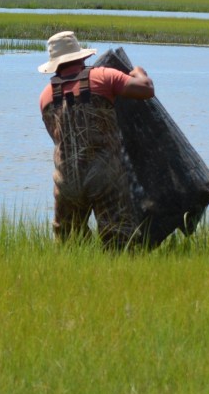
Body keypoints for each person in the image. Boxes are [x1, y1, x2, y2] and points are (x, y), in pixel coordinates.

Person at [38, 31, 154, 249]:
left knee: (70, 245)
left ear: (55, 64)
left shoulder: (45, 96)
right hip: (105, 175)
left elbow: (56, 137)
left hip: (66, 179)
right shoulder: (103, 77)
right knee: (119, 242)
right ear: (81, 57)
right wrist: (139, 72)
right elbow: (147, 89)